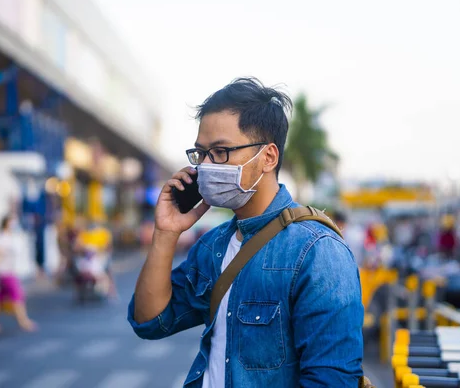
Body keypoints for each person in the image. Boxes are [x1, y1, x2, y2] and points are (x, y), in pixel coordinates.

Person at [128, 78, 364, 387]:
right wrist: (165, 232)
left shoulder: (318, 251)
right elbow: (150, 322)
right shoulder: (213, 245)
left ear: (268, 157)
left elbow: (331, 379)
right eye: (202, 154)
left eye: (221, 151)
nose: (208, 165)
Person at [0, 215, 36, 332]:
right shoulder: (3, 238)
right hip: (6, 272)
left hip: (10, 271)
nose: (14, 225)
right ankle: (23, 321)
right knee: (17, 296)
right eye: (12, 223)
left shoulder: (12, 238)